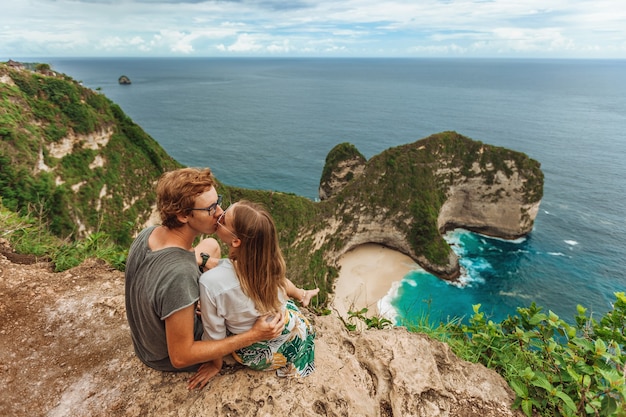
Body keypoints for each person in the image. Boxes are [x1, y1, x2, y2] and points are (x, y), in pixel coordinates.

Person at [124, 168, 285, 383]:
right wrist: (254, 335)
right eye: (210, 208)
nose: (220, 212)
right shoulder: (180, 275)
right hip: (164, 356)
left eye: (217, 201)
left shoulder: (148, 234)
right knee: (239, 311)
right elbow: (180, 357)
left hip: (144, 340)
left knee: (210, 245)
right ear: (183, 216)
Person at [189, 200, 316, 389]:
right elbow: (232, 270)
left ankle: (300, 295)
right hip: (294, 330)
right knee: (283, 296)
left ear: (236, 241)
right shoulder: (269, 264)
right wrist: (206, 259)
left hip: (258, 352)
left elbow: (214, 334)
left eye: (224, 218)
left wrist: (215, 364)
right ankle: (302, 295)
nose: (219, 213)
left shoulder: (210, 284)